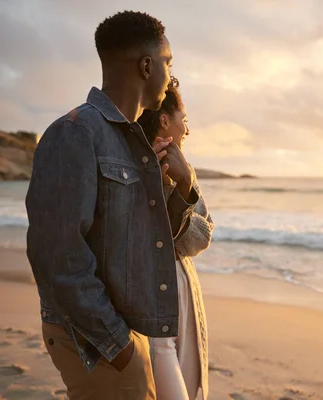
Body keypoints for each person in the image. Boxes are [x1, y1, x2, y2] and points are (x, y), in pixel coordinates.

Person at [25, 11, 199, 400]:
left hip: (119, 332)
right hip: (92, 339)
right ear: (146, 64)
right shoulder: (75, 133)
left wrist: (179, 186)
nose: (170, 75)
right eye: (168, 62)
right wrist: (119, 346)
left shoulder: (133, 143)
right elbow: (56, 255)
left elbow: (148, 241)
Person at [139, 77, 214, 400]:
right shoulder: (136, 166)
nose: (188, 129)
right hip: (152, 296)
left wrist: (185, 184)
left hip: (185, 290)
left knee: (190, 380)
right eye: (185, 119)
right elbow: (147, 238)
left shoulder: (186, 171)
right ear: (166, 120)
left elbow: (200, 238)